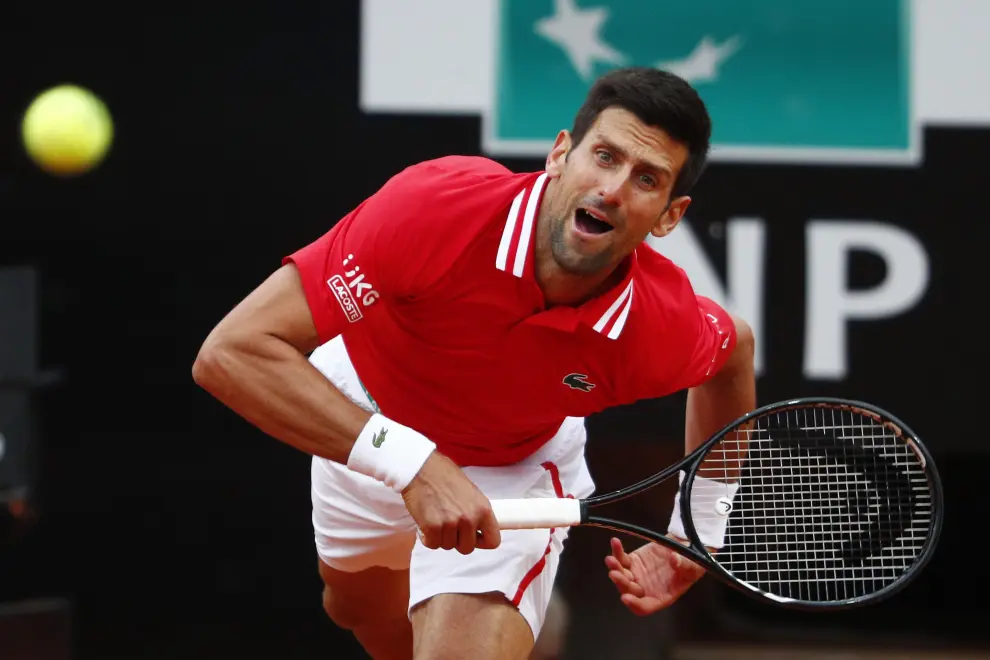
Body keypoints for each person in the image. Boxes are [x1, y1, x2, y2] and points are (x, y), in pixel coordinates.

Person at [192, 66, 756, 660]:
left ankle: (513, 600)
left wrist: (701, 529)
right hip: (366, 417)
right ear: (561, 154)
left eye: (647, 179)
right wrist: (413, 465)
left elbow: (732, 353)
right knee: (354, 608)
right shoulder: (435, 209)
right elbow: (231, 352)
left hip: (511, 469)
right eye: (605, 156)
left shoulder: (653, 324)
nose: (612, 190)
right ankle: (537, 628)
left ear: (670, 215)